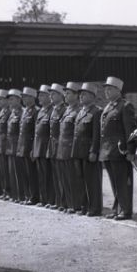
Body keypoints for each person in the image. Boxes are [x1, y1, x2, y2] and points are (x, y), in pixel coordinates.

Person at [99, 76, 136, 220]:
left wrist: (131, 150)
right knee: (114, 182)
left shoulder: (125, 106)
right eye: (106, 89)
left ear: (118, 90)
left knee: (122, 182)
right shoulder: (108, 107)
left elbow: (130, 130)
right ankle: (117, 209)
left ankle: (125, 210)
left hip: (120, 151)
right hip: (108, 151)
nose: (106, 91)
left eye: (110, 89)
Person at [73, 82, 103, 216]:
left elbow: (96, 134)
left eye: (84, 94)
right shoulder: (81, 112)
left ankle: (95, 208)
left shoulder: (97, 111)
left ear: (92, 96)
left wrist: (94, 151)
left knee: (92, 181)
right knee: (80, 180)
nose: (81, 96)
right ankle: (84, 206)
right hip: (78, 151)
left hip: (88, 151)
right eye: (80, 94)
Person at [57, 82, 83, 213]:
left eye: (68, 93)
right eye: (65, 93)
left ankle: (75, 204)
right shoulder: (67, 110)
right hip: (62, 149)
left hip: (71, 149)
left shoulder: (78, 111)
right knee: (65, 178)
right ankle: (68, 203)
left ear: (76, 95)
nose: (65, 96)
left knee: (73, 178)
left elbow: (77, 133)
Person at [16, 87, 39, 205]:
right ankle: (27, 195)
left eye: (25, 97)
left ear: (32, 97)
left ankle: (34, 196)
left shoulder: (36, 111)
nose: (23, 99)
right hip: (22, 146)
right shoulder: (25, 111)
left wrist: (34, 148)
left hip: (29, 147)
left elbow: (36, 132)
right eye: (23, 97)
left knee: (32, 173)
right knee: (24, 173)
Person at [33, 85, 54, 207]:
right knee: (41, 175)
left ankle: (50, 200)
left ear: (48, 97)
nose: (39, 98)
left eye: (42, 95)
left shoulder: (52, 110)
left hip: (46, 147)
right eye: (39, 95)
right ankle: (44, 199)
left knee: (48, 176)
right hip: (39, 147)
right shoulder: (41, 111)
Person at [47, 83, 67, 210]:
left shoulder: (64, 109)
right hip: (52, 146)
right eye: (50, 94)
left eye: (53, 94)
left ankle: (64, 202)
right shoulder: (53, 109)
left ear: (60, 95)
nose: (51, 97)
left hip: (61, 146)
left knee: (62, 176)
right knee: (55, 176)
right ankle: (58, 201)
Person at [5, 89, 24, 202]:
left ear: (18, 100)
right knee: (12, 172)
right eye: (9, 100)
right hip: (10, 147)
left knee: (19, 172)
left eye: (12, 99)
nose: (10, 102)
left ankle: (21, 196)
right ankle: (15, 195)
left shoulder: (22, 112)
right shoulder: (12, 113)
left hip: (17, 146)